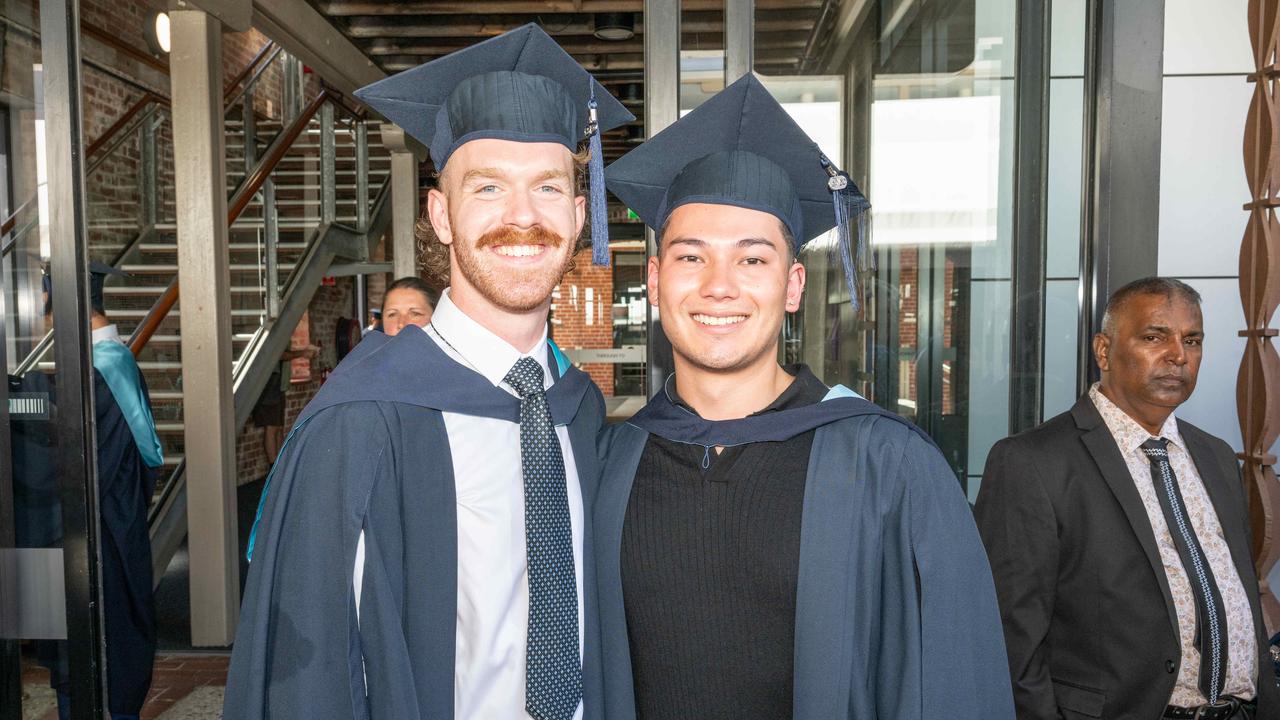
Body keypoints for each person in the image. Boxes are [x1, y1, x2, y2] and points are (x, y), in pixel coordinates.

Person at [223, 24, 632, 720]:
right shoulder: (359, 422)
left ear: (579, 211)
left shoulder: (580, 413)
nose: (523, 217)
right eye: (489, 188)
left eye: (547, 187)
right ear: (441, 215)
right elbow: (307, 678)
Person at [596, 73, 1014, 719]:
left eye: (752, 260)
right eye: (690, 257)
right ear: (655, 280)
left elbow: (959, 676)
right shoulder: (610, 462)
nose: (719, 286)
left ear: (792, 286)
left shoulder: (887, 464)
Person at [974, 277, 1280, 719]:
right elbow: (1010, 637)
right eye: (1154, 337)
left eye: (1191, 340)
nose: (1178, 355)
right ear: (1104, 351)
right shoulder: (1032, 462)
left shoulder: (1214, 456)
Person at [26, 261, 165, 720]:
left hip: (95, 549)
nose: (41, 314)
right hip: (102, 540)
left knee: (92, 671)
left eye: (45, 300)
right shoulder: (109, 365)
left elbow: (70, 470)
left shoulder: (100, 374)